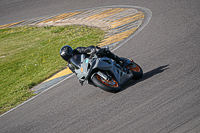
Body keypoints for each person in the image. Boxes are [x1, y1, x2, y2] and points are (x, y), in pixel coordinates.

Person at [60, 45, 124, 71]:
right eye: (67, 57)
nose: (70, 57)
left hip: (93, 59)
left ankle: (118, 60)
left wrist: (91, 50)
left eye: (69, 55)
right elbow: (77, 72)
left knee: (104, 51)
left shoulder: (78, 50)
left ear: (72, 52)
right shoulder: (71, 65)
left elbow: (86, 49)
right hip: (87, 69)